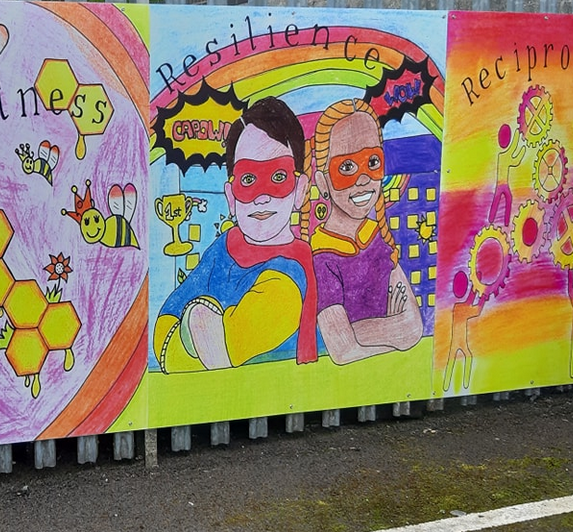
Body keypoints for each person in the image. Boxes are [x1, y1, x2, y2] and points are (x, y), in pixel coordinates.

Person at [153, 97, 317, 373]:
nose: (262, 197)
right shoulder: (224, 247)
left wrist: (197, 322)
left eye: (278, 177)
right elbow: (166, 322)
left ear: (300, 190)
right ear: (231, 197)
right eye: (249, 179)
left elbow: (230, 345)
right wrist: (193, 331)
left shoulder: (290, 273)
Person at [308, 99, 423, 365]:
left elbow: (412, 328)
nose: (363, 179)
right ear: (323, 182)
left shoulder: (376, 238)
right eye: (346, 167)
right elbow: (342, 350)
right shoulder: (322, 258)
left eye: (372, 162)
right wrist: (390, 328)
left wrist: (356, 333)